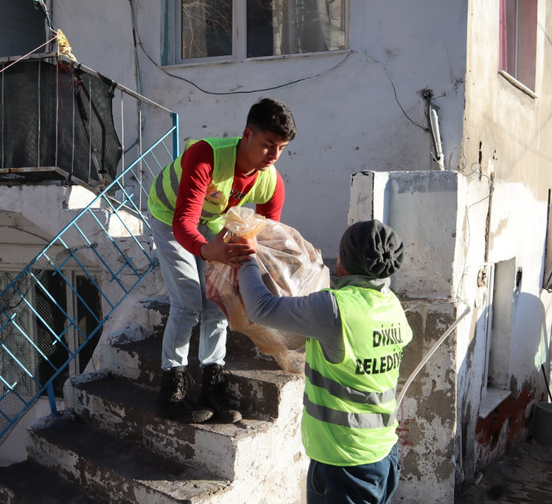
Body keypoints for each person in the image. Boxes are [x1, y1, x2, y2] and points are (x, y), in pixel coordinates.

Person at [237, 220, 412, 504]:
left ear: (345, 258)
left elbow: (261, 308)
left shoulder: (333, 309)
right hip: (384, 455)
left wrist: (247, 258)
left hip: (344, 463)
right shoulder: (390, 304)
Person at [148, 98, 297, 424]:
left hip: (213, 222)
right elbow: (183, 222)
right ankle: (171, 389)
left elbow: (266, 237)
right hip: (169, 215)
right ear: (247, 134)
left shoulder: (271, 182)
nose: (273, 156)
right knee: (187, 299)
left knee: (219, 300)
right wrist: (206, 252)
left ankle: (211, 383)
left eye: (281, 148)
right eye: (268, 144)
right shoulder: (206, 155)